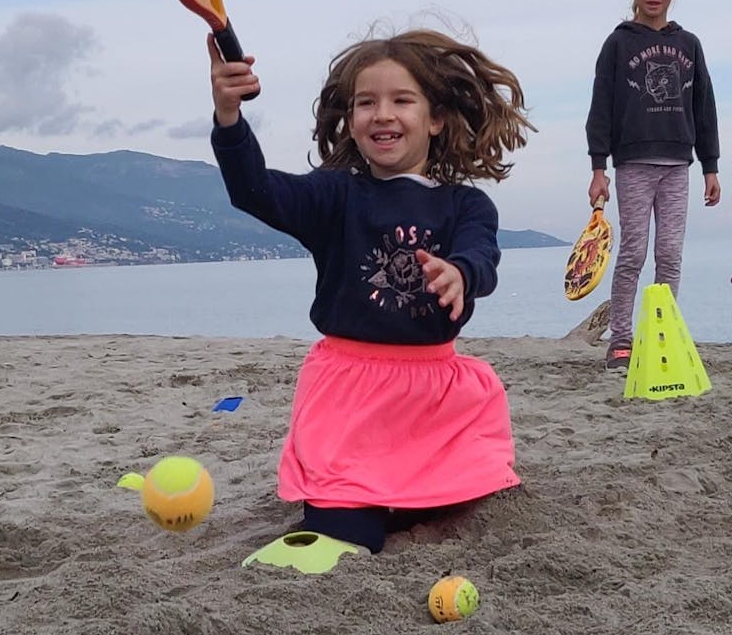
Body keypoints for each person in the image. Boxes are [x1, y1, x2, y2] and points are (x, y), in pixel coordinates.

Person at [207, 28, 532, 553]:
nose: (382, 113)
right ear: (351, 120)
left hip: (435, 402)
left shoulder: (466, 206)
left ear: (436, 117)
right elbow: (254, 191)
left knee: (463, 501)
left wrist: (461, 273)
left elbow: (483, 257)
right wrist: (229, 117)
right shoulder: (335, 195)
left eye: (402, 100)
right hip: (349, 401)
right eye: (366, 102)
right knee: (345, 530)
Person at [585, 0, 721, 370]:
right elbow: (601, 106)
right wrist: (597, 168)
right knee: (632, 253)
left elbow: (704, 106)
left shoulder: (689, 44)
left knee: (670, 255)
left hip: (678, 164)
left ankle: (662, 335)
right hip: (632, 164)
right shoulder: (618, 43)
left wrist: (710, 166)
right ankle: (621, 339)